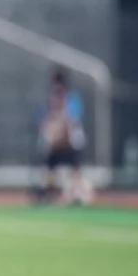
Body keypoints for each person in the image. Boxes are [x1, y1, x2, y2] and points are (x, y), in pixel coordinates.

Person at [38, 69, 92, 205]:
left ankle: (79, 195)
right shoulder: (51, 99)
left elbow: (72, 122)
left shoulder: (71, 98)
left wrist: (60, 134)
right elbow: (46, 121)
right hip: (57, 142)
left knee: (75, 169)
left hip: (71, 142)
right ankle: (50, 193)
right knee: (50, 167)